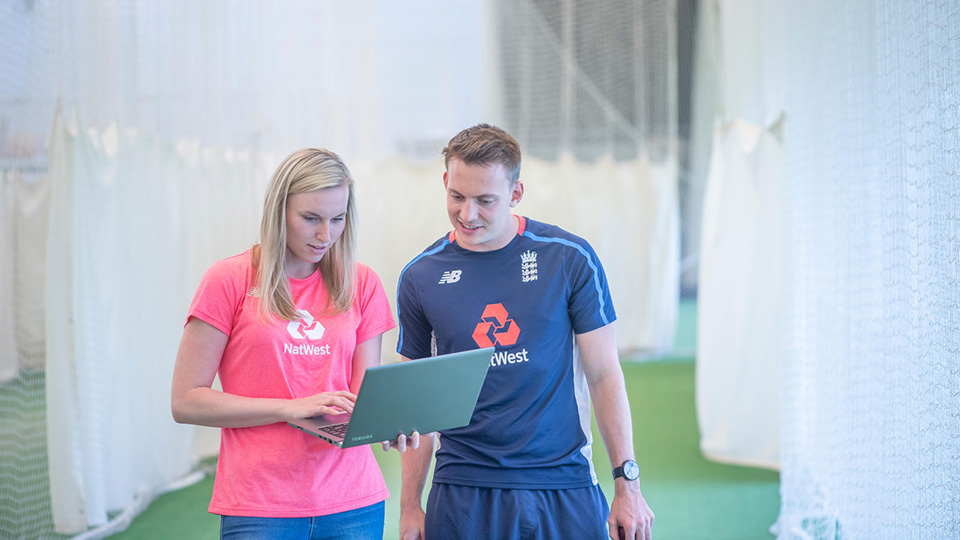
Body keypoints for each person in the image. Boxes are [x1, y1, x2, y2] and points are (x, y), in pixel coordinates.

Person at [393, 124, 655, 540]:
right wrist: (410, 506)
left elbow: (604, 375)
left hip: (563, 482)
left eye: (485, 200)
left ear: (516, 193)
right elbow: (416, 405)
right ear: (445, 182)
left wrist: (628, 486)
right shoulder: (420, 277)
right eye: (457, 196)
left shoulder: (569, 259)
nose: (467, 214)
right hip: (463, 488)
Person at [171, 148, 396, 540]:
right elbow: (186, 400)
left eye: (338, 219)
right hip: (260, 505)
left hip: (353, 502)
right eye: (311, 219)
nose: (326, 235)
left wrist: (390, 423)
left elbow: (361, 399)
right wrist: (288, 408)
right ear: (279, 212)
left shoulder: (362, 284)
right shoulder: (228, 280)